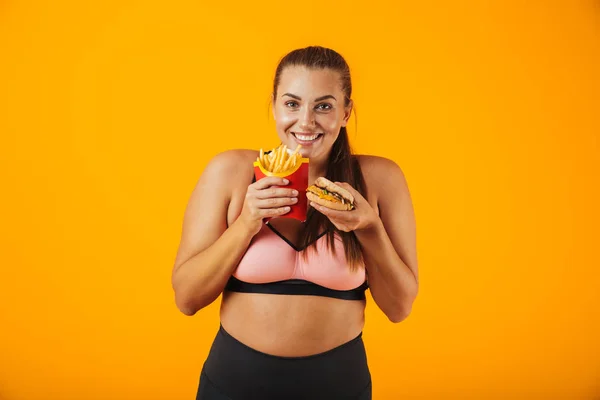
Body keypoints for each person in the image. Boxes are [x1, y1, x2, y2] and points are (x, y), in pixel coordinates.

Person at [171, 45, 419, 400]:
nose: (306, 122)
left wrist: (369, 227)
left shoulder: (380, 178)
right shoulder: (230, 172)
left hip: (339, 387)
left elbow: (400, 308)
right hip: (233, 385)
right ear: (273, 105)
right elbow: (187, 298)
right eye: (292, 103)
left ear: (346, 111)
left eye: (324, 106)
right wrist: (246, 223)